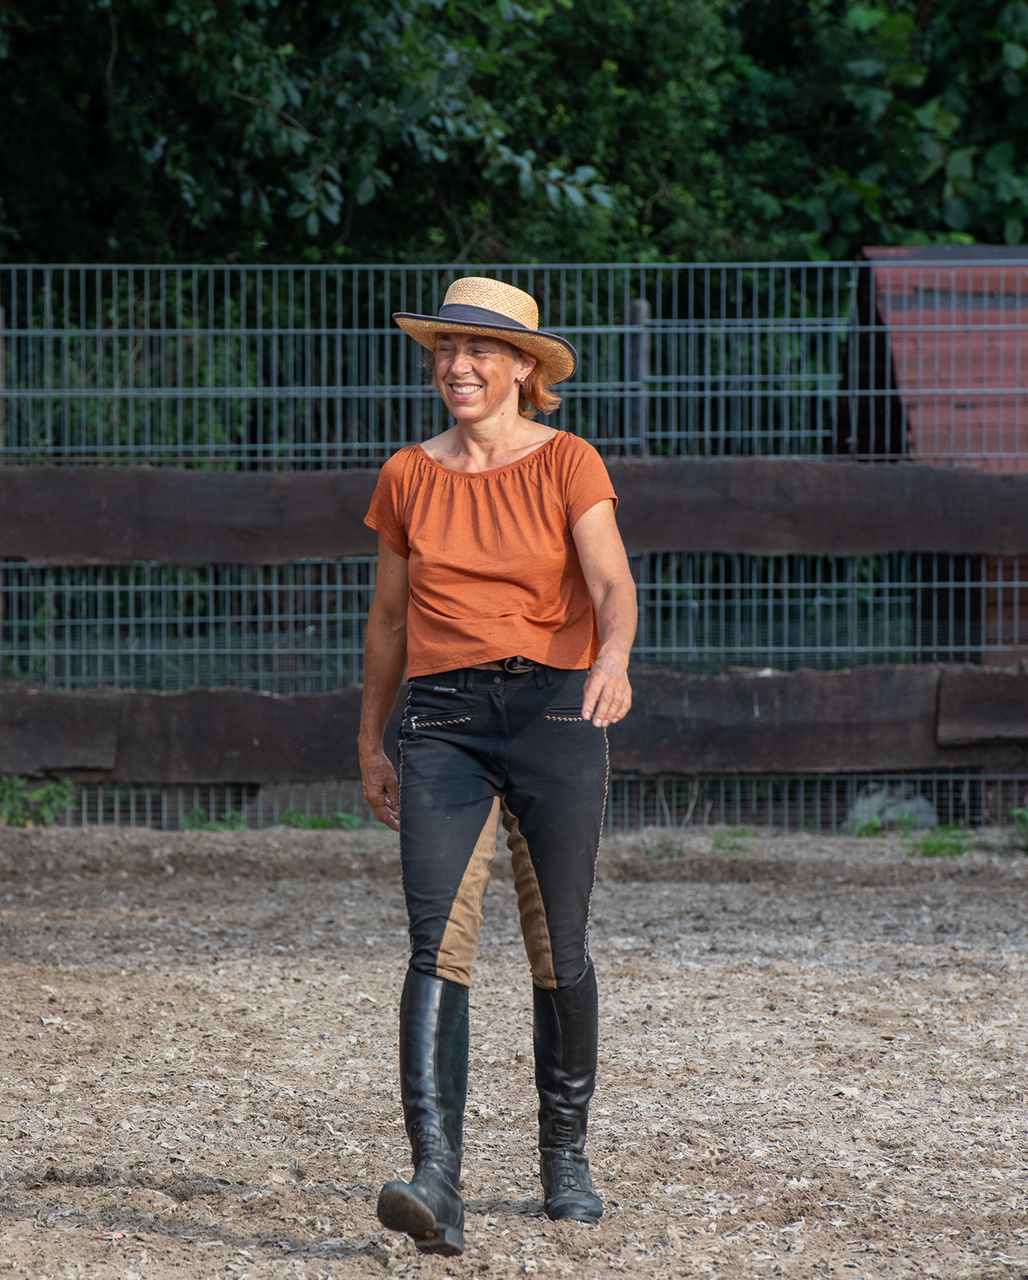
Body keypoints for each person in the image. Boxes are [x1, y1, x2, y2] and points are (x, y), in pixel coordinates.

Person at [359, 277, 637, 1255]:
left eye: (479, 349)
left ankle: (565, 1156)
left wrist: (612, 658)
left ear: (523, 366)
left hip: (557, 707)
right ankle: (436, 1176)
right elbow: (388, 620)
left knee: (560, 942)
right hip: (443, 719)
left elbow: (612, 583)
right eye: (445, 348)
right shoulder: (407, 474)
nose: (458, 364)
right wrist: (371, 739)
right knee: (435, 938)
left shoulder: (568, 461)